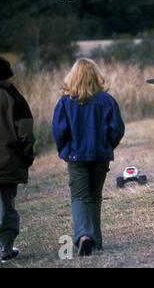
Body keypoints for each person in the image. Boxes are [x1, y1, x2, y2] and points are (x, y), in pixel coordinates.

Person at [52, 58, 125, 256]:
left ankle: (83, 235)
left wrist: (65, 151)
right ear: (95, 76)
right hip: (100, 156)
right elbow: (117, 129)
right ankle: (97, 240)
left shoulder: (65, 102)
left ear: (72, 77)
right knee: (94, 197)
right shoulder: (107, 100)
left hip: (76, 157)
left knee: (79, 197)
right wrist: (108, 146)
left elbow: (59, 131)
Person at [0, 57, 35, 267]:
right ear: (7, 74)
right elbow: (26, 133)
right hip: (10, 163)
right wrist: (27, 157)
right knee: (8, 206)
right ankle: (6, 249)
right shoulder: (14, 97)